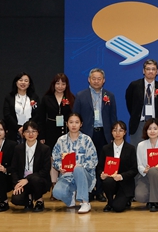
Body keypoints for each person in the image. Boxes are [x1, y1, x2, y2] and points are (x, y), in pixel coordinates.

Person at [72, 67, 117, 202]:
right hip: (86, 135)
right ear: (89, 79)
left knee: (102, 164)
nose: (96, 81)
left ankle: (100, 191)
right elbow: (75, 116)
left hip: (104, 133)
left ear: (104, 80)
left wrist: (113, 135)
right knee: (87, 163)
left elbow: (113, 117)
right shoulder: (81, 95)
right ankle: (89, 190)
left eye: (99, 79)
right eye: (94, 78)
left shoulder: (110, 96)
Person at [51, 113, 98, 214]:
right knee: (56, 192)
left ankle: (85, 202)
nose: (74, 125)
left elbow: (94, 160)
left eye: (77, 122)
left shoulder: (87, 140)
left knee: (78, 169)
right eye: (71, 122)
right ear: (67, 124)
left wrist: (81, 166)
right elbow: (55, 159)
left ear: (81, 124)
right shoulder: (61, 140)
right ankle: (70, 198)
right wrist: (60, 167)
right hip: (67, 176)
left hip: (85, 177)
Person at [37, 73, 75, 186]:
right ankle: (53, 184)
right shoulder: (46, 98)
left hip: (66, 132)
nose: (60, 86)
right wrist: (42, 136)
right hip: (50, 131)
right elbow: (41, 118)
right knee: (53, 158)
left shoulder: (71, 98)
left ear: (67, 85)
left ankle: (66, 184)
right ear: (53, 84)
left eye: (63, 84)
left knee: (66, 157)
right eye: (57, 83)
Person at [125, 59, 158, 148]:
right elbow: (129, 102)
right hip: (138, 124)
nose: (150, 71)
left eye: (153, 69)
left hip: (155, 125)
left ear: (157, 72)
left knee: (154, 152)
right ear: (143, 71)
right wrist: (136, 114)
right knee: (137, 151)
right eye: (148, 69)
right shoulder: (134, 85)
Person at [10, 120, 52, 211]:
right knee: (16, 199)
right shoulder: (18, 148)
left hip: (39, 181)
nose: (31, 134)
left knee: (35, 180)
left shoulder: (45, 149)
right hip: (22, 181)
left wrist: (28, 179)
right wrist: (17, 184)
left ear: (38, 133)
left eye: (33, 131)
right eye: (27, 131)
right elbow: (14, 169)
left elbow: (45, 170)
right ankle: (29, 198)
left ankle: (39, 200)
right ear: (23, 133)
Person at [97, 121, 138, 213]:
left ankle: (126, 199)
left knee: (118, 207)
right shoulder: (106, 148)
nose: (117, 133)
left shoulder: (131, 148)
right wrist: (102, 174)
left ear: (125, 132)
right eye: (115, 130)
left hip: (125, 182)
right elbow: (99, 167)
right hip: (111, 181)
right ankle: (109, 202)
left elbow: (134, 169)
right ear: (111, 132)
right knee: (107, 181)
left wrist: (121, 176)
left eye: (121, 130)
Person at [2, 72, 39, 142]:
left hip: (30, 131)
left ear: (29, 83)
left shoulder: (34, 97)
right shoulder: (9, 97)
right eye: (20, 80)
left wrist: (27, 128)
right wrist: (18, 128)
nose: (23, 82)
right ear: (16, 82)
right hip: (14, 131)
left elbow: (37, 114)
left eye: (26, 81)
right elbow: (7, 115)